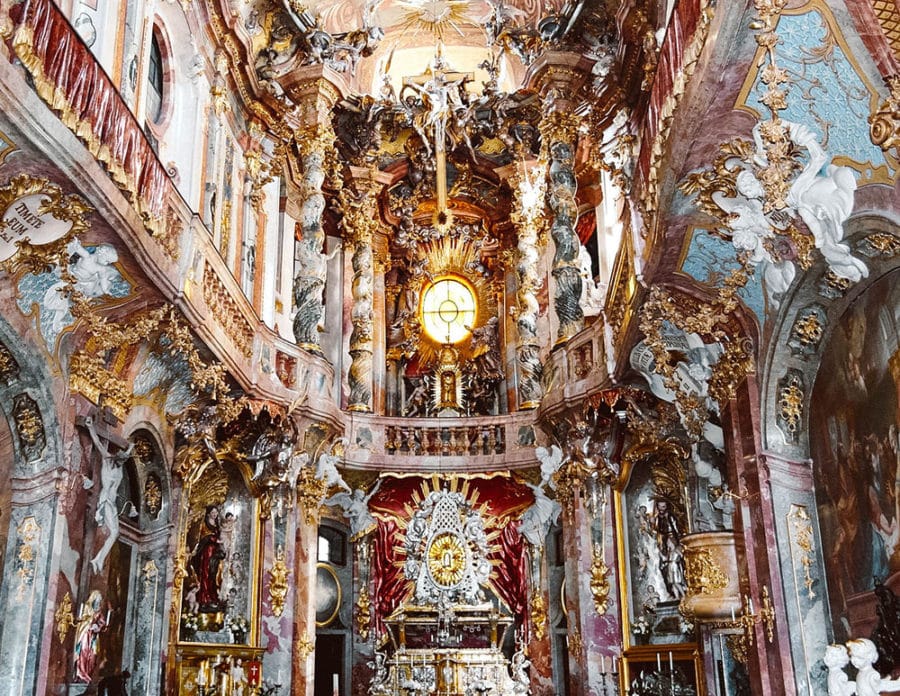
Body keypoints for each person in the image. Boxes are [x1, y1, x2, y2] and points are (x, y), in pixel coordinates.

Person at [84, 415, 134, 574]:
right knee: (114, 533)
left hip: (111, 503)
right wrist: (91, 427)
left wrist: (131, 448)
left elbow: (127, 453)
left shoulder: (119, 466)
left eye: (123, 462)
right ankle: (97, 559)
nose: (122, 464)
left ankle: (98, 559)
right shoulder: (107, 460)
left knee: (115, 533)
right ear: (117, 458)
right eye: (121, 461)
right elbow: (98, 443)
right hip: (104, 501)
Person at [190, 505, 226, 611]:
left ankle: (213, 597)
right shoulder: (204, 524)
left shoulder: (217, 525)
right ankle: (204, 599)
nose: (215, 514)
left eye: (216, 512)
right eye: (213, 512)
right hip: (207, 552)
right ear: (209, 513)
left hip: (215, 552)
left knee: (213, 575)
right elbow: (203, 537)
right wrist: (214, 540)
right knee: (206, 574)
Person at [74, 590, 107, 683]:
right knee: (83, 652)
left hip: (94, 637)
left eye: (100, 601)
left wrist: (98, 627)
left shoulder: (99, 612)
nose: (98, 603)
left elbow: (102, 622)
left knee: (93, 655)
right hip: (85, 635)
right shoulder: (86, 608)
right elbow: (82, 620)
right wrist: (89, 624)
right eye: (97, 600)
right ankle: (81, 673)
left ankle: (88, 673)